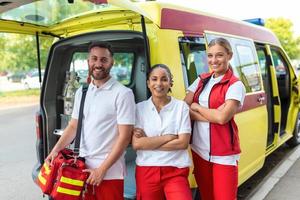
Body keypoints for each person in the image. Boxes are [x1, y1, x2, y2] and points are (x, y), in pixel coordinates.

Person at [45, 42, 135, 200]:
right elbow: (73, 126)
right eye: (94, 59)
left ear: (111, 62)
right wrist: (54, 151)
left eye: (104, 60)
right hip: (81, 169)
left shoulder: (123, 94)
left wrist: (102, 170)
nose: (98, 64)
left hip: (109, 173)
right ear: (88, 61)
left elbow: (124, 137)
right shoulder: (82, 91)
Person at [184, 38, 246, 200]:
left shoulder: (235, 85)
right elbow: (185, 108)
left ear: (229, 56)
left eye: (219, 55)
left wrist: (197, 107)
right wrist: (212, 114)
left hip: (224, 154)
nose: (213, 60)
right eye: (210, 56)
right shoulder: (201, 79)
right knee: (207, 196)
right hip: (199, 149)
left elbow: (223, 118)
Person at [132, 64, 193, 200]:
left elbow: (182, 143)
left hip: (175, 170)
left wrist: (148, 142)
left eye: (164, 79)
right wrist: (169, 137)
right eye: (154, 79)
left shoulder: (180, 107)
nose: (159, 83)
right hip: (146, 170)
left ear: (170, 82)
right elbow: (137, 144)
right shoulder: (139, 109)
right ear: (148, 83)